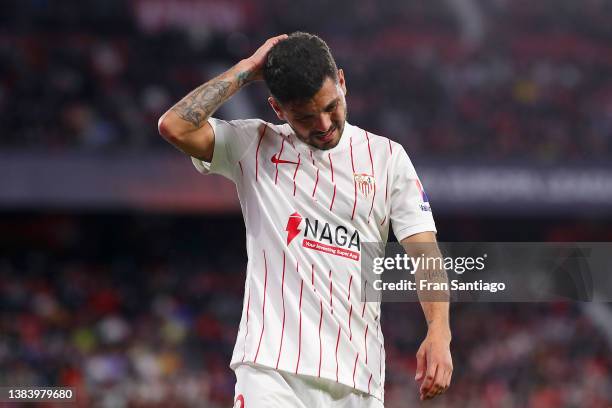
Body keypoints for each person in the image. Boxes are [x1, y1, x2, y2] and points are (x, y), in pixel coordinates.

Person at [158, 32, 452, 407]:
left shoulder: (387, 158)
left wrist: (439, 332)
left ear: (342, 82)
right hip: (270, 370)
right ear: (278, 109)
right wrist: (247, 70)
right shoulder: (253, 144)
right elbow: (175, 126)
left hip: (357, 379)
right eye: (305, 117)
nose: (324, 123)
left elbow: (424, 251)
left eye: (331, 106)